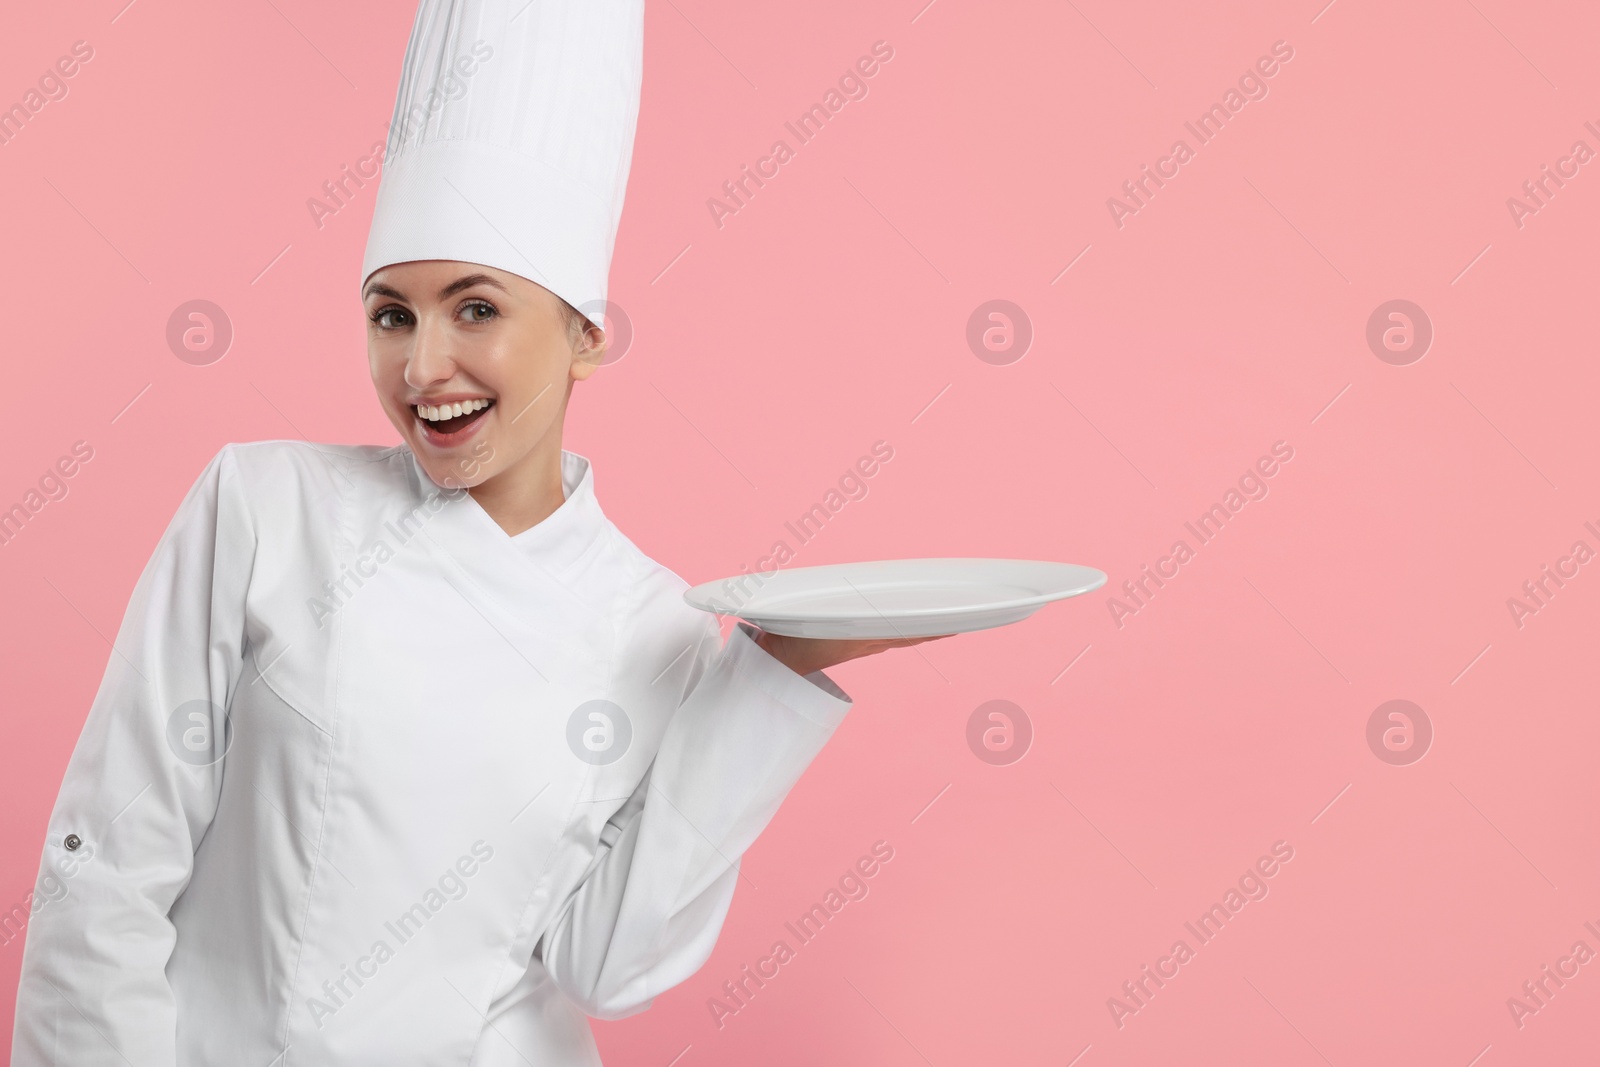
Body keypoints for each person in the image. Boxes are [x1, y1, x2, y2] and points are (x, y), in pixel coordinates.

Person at [9, 1, 946, 1063]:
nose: (422, 368)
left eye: (476, 308)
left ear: (584, 333)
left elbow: (603, 966)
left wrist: (776, 668)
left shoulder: (654, 620)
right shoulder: (263, 509)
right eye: (391, 313)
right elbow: (106, 872)